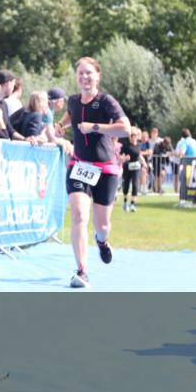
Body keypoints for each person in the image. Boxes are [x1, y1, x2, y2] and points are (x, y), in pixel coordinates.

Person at [57, 57, 131, 289]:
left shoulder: (106, 101)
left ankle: (102, 240)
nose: (84, 77)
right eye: (80, 73)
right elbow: (71, 114)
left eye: (89, 73)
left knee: (102, 225)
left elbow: (126, 129)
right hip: (79, 165)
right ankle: (82, 271)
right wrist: (61, 126)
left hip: (105, 169)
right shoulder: (73, 101)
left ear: (97, 76)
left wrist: (95, 127)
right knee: (79, 214)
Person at [119, 127, 144, 212]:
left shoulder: (139, 145)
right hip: (127, 167)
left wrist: (144, 163)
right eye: (132, 135)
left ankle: (132, 204)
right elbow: (120, 156)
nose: (133, 136)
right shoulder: (125, 145)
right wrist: (124, 158)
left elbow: (139, 155)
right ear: (129, 136)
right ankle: (125, 202)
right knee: (126, 185)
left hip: (136, 167)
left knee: (135, 184)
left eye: (135, 135)